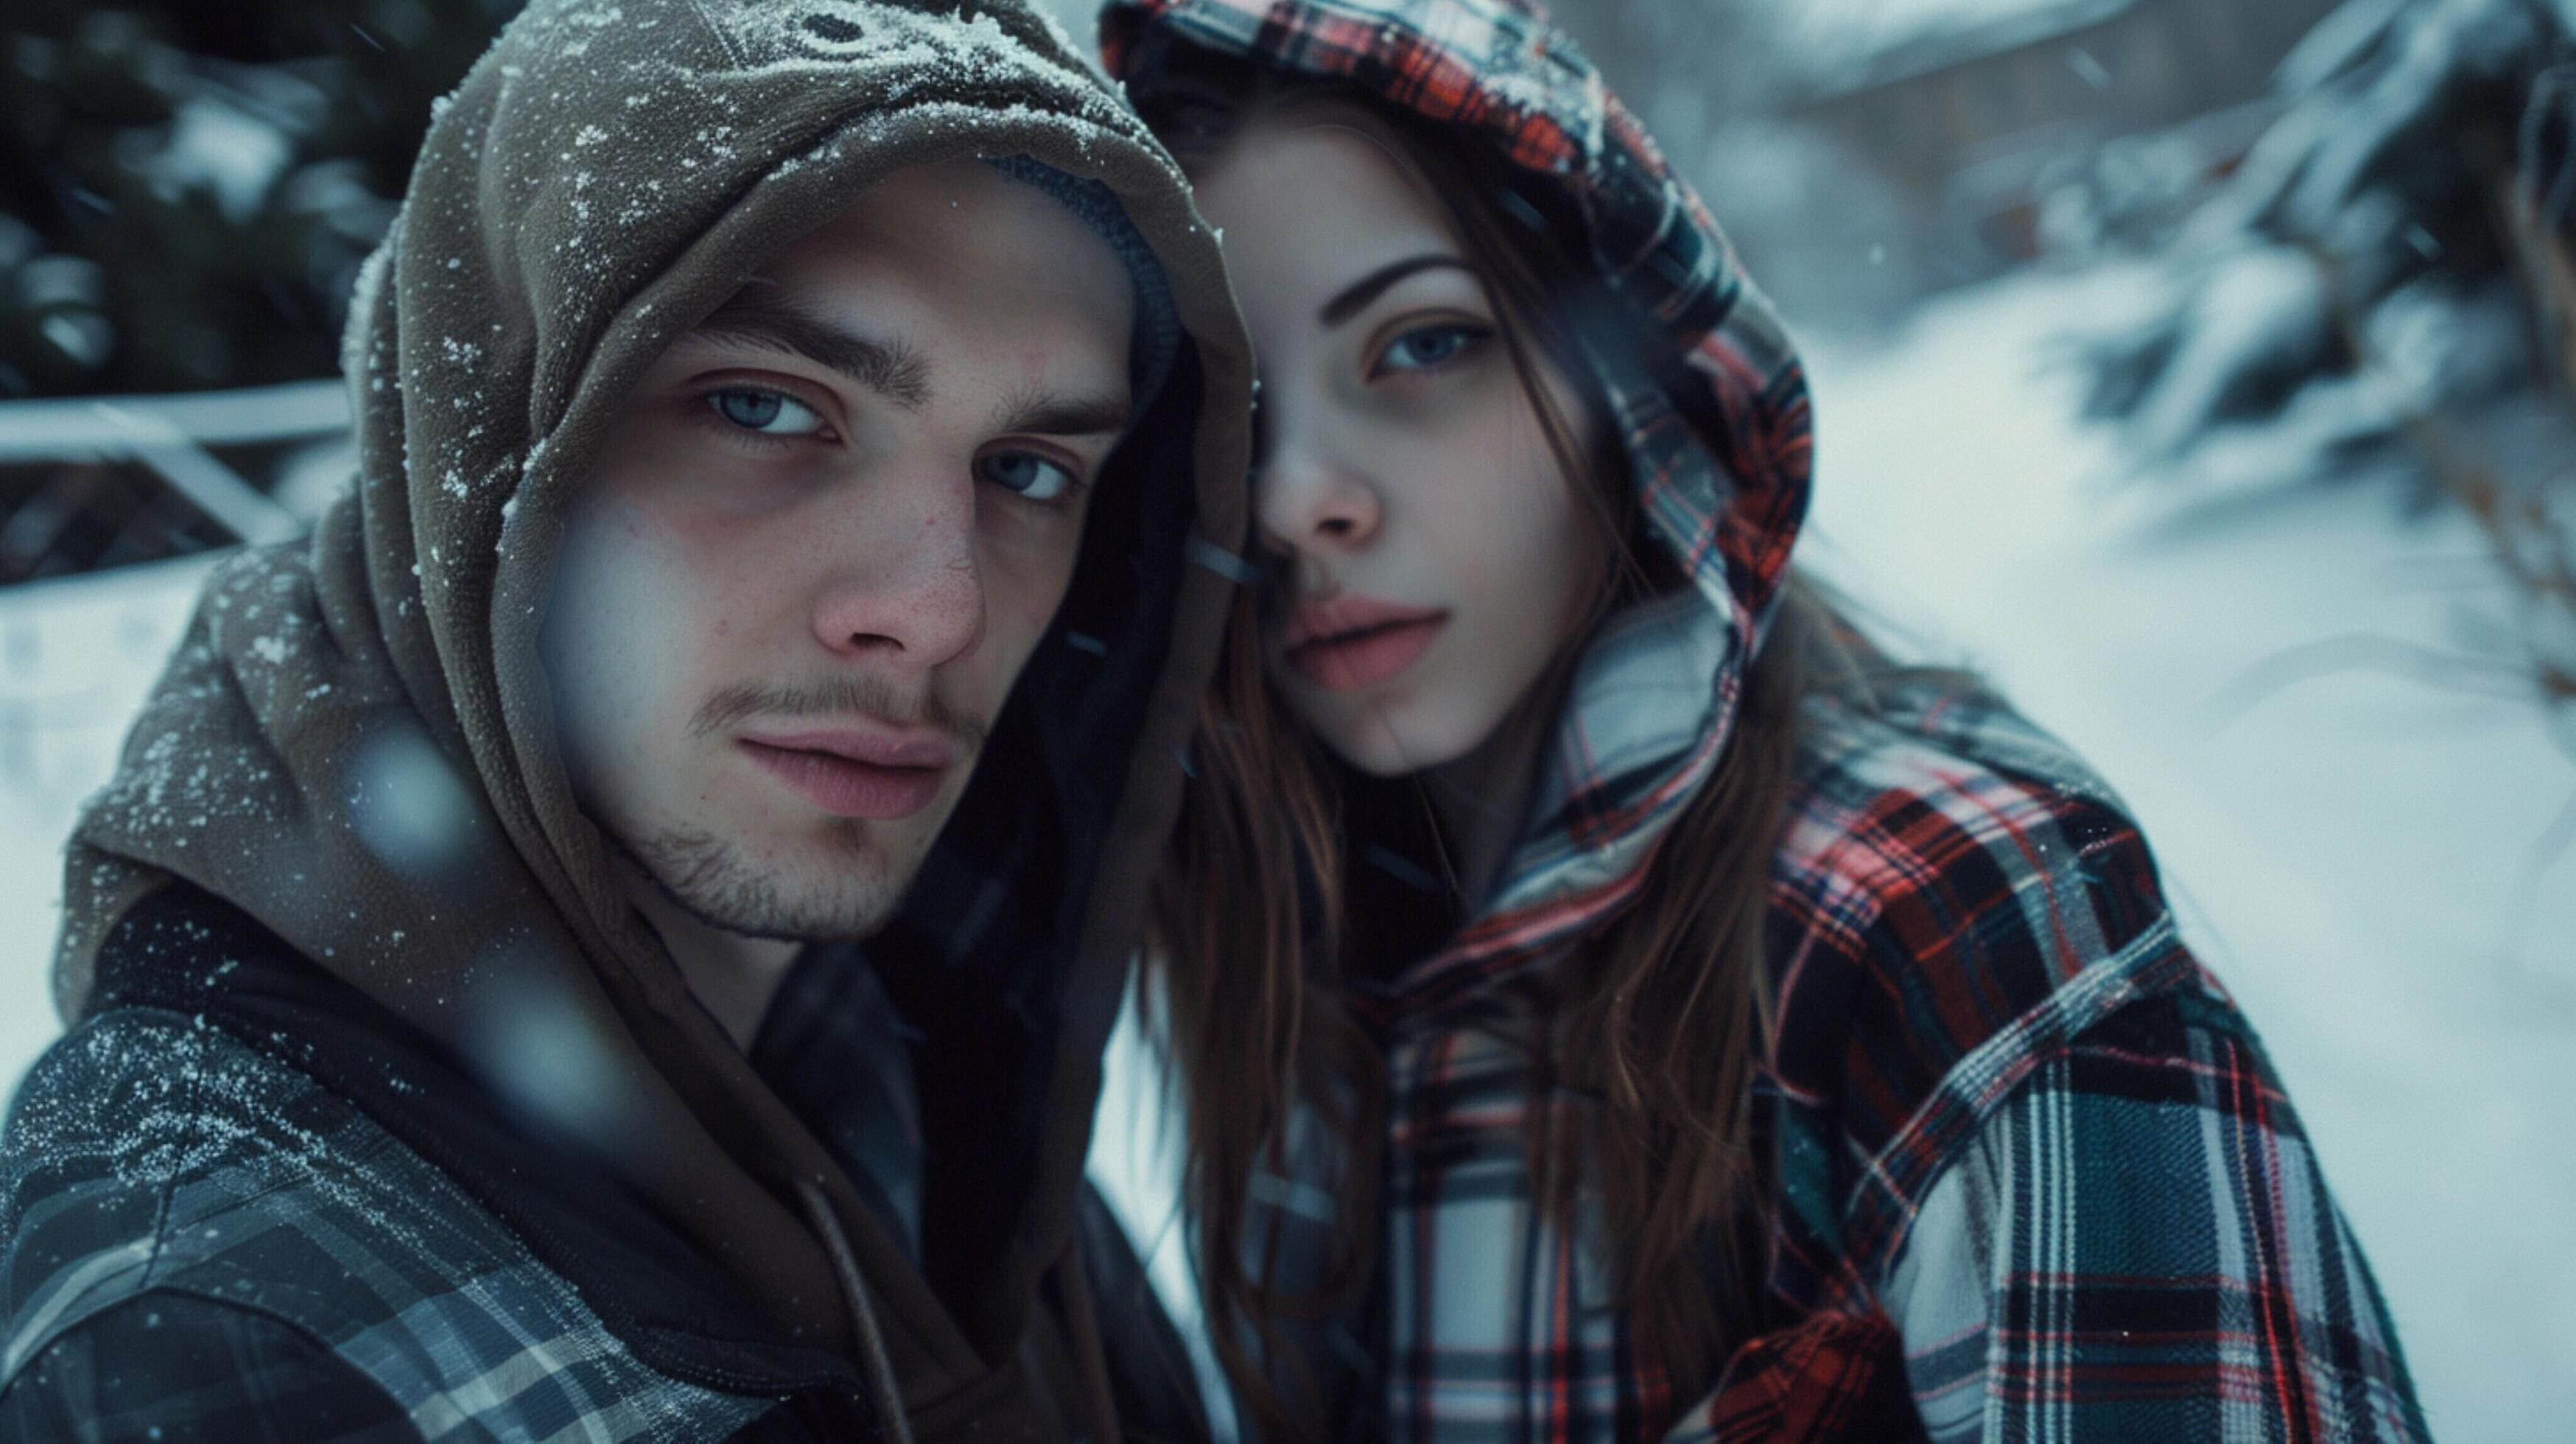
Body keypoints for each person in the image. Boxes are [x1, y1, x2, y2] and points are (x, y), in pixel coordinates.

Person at [1101, 1, 2429, 1439]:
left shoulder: (1958, 929)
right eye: (1227, 409)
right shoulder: (1272, 940)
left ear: (1626, 390)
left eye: (1424, 346)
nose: (1300, 497)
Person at [0, 1, 1253, 1438]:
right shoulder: (231, 1324)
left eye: (1029, 470)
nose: (940, 605)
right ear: (491, 454)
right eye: (766, 409)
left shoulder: (919, 1040)